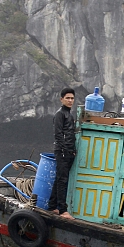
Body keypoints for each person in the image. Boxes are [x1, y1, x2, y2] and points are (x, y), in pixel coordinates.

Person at [48, 88, 76, 219]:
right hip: (62, 151)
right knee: (62, 180)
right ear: (62, 99)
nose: (70, 101)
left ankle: (52, 206)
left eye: (72, 98)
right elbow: (58, 134)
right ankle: (62, 209)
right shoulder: (60, 114)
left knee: (60, 178)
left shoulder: (69, 115)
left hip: (69, 151)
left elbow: (70, 134)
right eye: (68, 98)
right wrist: (65, 150)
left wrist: (72, 150)